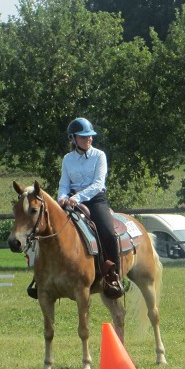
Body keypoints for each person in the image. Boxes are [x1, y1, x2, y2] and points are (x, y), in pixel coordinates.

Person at [53, 117, 124, 298]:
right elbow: (64, 184)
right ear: (73, 138)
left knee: (108, 233)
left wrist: (77, 198)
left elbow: (98, 184)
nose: (89, 139)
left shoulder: (99, 155)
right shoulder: (67, 160)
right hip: (71, 201)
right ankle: (43, 275)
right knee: (48, 225)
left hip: (95, 199)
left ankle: (112, 276)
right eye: (84, 137)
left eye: (90, 136)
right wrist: (62, 198)